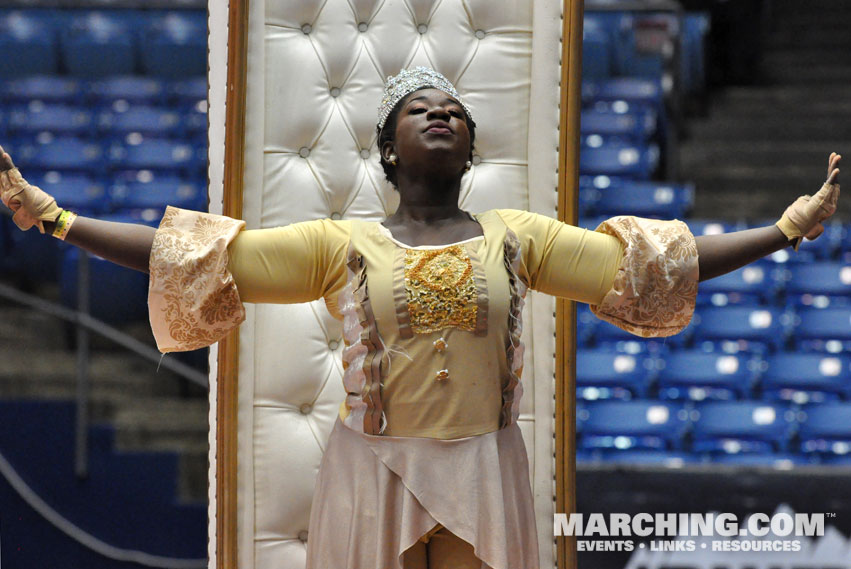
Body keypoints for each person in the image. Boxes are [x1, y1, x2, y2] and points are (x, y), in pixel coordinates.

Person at [0, 67, 841, 569]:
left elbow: (656, 266)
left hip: (485, 465)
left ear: (469, 149)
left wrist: (785, 228)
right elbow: (195, 255)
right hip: (370, 470)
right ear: (389, 148)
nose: (441, 113)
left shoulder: (521, 238)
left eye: (455, 112)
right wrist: (57, 219)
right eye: (419, 110)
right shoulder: (338, 243)